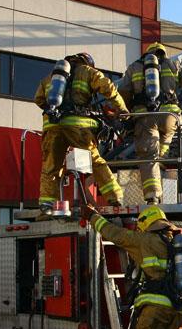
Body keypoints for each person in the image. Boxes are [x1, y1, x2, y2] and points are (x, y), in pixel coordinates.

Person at [34, 52, 126, 217]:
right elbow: (108, 88)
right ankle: (115, 197)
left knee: (51, 167)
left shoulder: (51, 77)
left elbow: (38, 99)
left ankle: (47, 205)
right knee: (96, 161)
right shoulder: (88, 72)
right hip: (78, 127)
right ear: (88, 63)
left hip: (52, 127)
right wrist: (122, 109)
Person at [119, 43, 182, 204]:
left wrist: (126, 114)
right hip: (169, 116)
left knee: (148, 156)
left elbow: (123, 92)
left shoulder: (134, 67)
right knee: (166, 137)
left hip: (145, 117)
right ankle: (163, 158)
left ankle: (153, 195)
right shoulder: (171, 65)